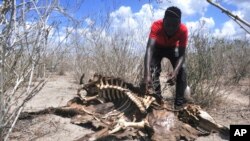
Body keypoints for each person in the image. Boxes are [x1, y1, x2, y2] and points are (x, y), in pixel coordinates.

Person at [143, 6, 191, 109]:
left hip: (172, 49)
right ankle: (157, 100)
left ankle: (179, 105)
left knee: (182, 70)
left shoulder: (183, 30)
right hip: (157, 48)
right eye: (168, 24)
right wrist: (147, 74)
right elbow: (150, 49)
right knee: (153, 70)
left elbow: (182, 55)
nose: (171, 28)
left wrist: (175, 72)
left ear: (179, 23)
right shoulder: (156, 25)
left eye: (175, 25)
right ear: (163, 21)